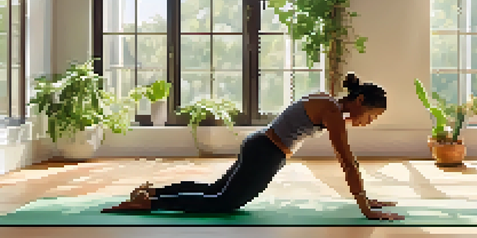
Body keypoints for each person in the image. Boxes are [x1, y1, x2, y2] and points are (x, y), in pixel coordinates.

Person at [102, 73, 404, 221]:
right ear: (360, 101)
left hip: (261, 145)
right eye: (372, 116)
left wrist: (367, 198)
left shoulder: (328, 103)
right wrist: (366, 208)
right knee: (225, 202)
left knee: (214, 190)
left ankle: (152, 192)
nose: (369, 122)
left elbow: (334, 128)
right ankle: (150, 204)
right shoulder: (333, 113)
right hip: (266, 153)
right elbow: (348, 162)